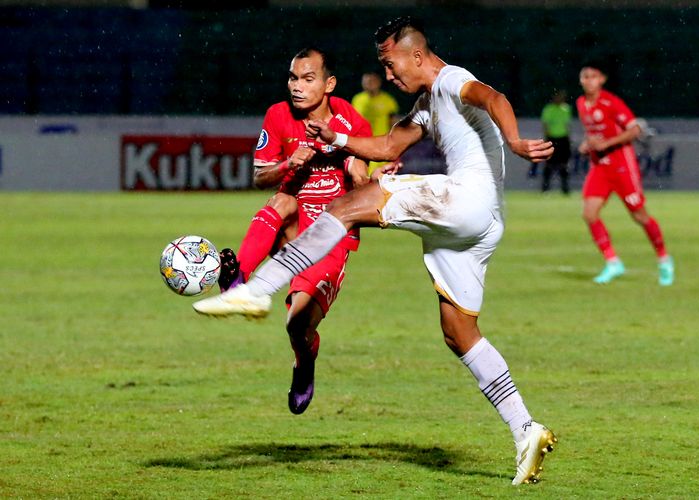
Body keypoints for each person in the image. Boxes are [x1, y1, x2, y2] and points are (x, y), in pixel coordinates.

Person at [195, 17, 557, 485]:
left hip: (466, 200)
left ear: (417, 56)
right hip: (480, 227)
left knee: (348, 205)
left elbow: (494, 98)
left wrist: (514, 140)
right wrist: (339, 139)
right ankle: (524, 428)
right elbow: (388, 146)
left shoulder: (451, 80)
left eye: (390, 64)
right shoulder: (428, 103)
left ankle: (259, 288)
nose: (388, 76)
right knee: (457, 330)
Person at [219, 47, 373, 416]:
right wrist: (290, 162)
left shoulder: (351, 123)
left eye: (308, 79)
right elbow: (260, 177)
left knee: (296, 326)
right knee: (283, 201)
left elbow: (362, 174)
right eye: (293, 78)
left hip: (330, 237)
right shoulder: (277, 115)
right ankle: (237, 276)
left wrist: (360, 173)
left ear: (328, 84)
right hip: (290, 228)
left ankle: (305, 363)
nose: (297, 86)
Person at [576, 62, 674, 285]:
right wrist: (587, 144)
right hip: (600, 167)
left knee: (639, 216)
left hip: (621, 166)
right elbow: (593, 134)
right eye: (585, 77)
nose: (588, 80)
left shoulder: (611, 102)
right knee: (589, 213)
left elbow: (635, 129)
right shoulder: (581, 103)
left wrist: (607, 143)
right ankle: (613, 262)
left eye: (593, 76)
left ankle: (664, 259)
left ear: (602, 79)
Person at [351, 72, 400, 174]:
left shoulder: (388, 100)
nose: (369, 84)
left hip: (382, 144)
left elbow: (394, 123)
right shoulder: (357, 99)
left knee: (384, 177)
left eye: (371, 81)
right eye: (366, 81)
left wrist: (396, 145)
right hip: (363, 145)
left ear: (378, 82)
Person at [540, 90, 571, 194]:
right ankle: (545, 188)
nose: (559, 99)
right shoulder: (548, 109)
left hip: (563, 138)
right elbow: (546, 125)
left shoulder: (566, 109)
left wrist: (568, 138)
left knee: (564, 164)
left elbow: (567, 125)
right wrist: (547, 138)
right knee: (549, 163)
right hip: (552, 139)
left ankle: (565, 188)